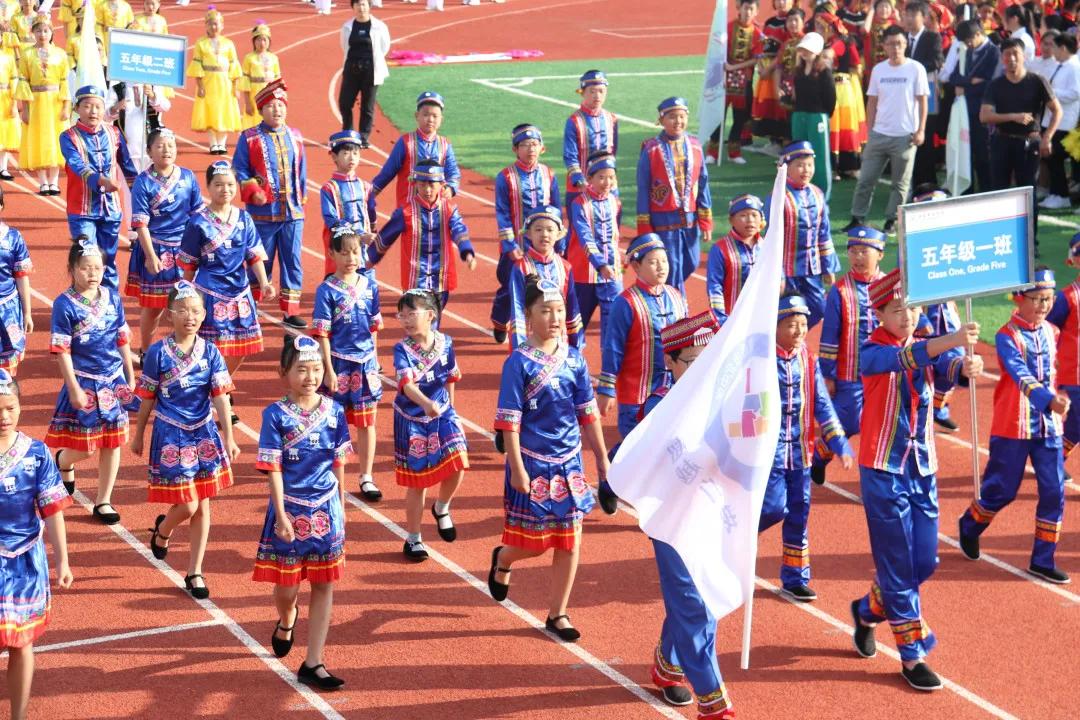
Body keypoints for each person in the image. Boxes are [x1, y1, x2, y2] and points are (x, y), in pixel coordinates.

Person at [850, 268, 983, 691]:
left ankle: (868, 610)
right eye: (896, 310)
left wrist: (967, 363)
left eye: (912, 308)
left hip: (922, 466)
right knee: (897, 564)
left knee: (923, 561)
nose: (906, 316)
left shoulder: (929, 345)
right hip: (882, 469)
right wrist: (952, 340)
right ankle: (912, 655)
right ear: (881, 314)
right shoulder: (871, 350)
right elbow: (909, 358)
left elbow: (948, 368)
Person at [489, 275, 609, 643]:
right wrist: (518, 469)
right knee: (535, 542)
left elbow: (588, 413)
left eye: (559, 310)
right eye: (546, 310)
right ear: (529, 315)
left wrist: (602, 461)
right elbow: (509, 422)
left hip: (569, 462)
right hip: (532, 460)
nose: (555, 317)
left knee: (570, 539)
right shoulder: (518, 363)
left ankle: (558, 613)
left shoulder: (575, 360)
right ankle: (504, 559)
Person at [635, 312, 732, 717]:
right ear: (671, 364)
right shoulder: (661, 407)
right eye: (692, 362)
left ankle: (668, 664)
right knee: (693, 605)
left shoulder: (721, 397)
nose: (701, 369)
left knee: (704, 598)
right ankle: (713, 701)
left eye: (707, 359)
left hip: (711, 514)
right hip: (672, 521)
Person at [959, 267, 1071, 585]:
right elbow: (1020, 374)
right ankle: (970, 524)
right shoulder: (1006, 336)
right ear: (1019, 299)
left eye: (1048, 299)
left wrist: (1061, 396)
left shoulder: (1053, 332)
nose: (1044, 305)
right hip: (1013, 425)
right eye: (1037, 299)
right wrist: (1050, 399)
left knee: (1054, 491)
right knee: (1002, 491)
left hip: (1049, 428)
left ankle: (1042, 560)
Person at [130, 281, 239, 601]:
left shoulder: (212, 352)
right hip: (171, 433)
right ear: (170, 314)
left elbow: (221, 399)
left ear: (204, 314)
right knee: (189, 503)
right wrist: (139, 433)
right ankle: (164, 529)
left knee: (203, 503)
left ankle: (195, 571)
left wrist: (228, 437)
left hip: (203, 432)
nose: (189, 317)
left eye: (195, 311)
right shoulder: (158, 353)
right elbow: (147, 396)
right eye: (182, 311)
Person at [254, 335, 351, 691]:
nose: (311, 377)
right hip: (291, 510)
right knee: (287, 586)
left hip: (326, 508)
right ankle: (286, 617)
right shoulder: (275, 415)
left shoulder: (334, 411)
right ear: (285, 372)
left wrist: (342, 503)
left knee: (325, 584)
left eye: (317, 369)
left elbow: (338, 461)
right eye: (302, 369)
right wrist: (280, 514)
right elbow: (273, 468)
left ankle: (314, 662)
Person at [762, 294, 853, 601]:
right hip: (767, 454)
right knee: (773, 508)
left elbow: (823, 406)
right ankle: (734, 543)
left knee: (799, 514)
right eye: (792, 325)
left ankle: (795, 577)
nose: (800, 331)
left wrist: (839, 443)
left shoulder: (808, 359)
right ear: (775, 327)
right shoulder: (760, 361)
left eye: (803, 324)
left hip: (800, 452)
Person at [46, 238, 138, 527]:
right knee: (86, 446)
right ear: (73, 269)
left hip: (113, 380)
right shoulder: (64, 304)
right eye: (86, 268)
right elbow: (61, 349)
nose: (93, 273)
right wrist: (72, 386)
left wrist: (130, 375)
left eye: (97, 268)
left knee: (112, 443)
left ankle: (104, 499)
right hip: (85, 381)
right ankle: (63, 460)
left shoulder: (112, 297)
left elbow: (122, 339)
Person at [0, 369, 73, 720]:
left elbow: (53, 510)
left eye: (10, 408)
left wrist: (63, 561)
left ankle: (19, 714)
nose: (4, 416)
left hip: (25, 561)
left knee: (22, 642)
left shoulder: (37, 454)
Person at [178, 161, 277, 401]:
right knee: (213, 347)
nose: (225, 190)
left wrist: (264, 283)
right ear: (209, 187)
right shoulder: (198, 222)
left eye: (231, 185)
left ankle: (221, 383)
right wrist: (185, 294)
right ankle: (214, 390)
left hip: (240, 292)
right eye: (219, 185)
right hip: (210, 292)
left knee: (241, 347)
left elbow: (253, 254)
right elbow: (189, 263)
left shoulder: (244, 218)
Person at [391, 289, 469, 560]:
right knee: (419, 481)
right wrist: (425, 403)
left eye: (412, 314)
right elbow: (406, 385)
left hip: (442, 412)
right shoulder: (401, 349)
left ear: (431, 315)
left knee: (458, 460)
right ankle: (413, 539)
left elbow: (450, 377)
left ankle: (442, 506)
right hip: (412, 419)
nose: (407, 320)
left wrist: (452, 410)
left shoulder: (446, 343)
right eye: (402, 315)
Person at [312, 225, 385, 504]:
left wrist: (375, 362)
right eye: (344, 253)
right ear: (332, 254)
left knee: (368, 422)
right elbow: (322, 334)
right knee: (334, 423)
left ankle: (366, 476)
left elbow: (374, 328)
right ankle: (331, 472)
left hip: (365, 364)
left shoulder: (370, 286)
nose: (351, 258)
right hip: (339, 363)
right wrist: (328, 370)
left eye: (355, 252)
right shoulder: (326, 290)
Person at [812, 225, 885, 484]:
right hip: (849, 376)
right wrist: (828, 376)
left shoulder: (890, 287)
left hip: (883, 376)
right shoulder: (840, 291)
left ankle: (876, 483)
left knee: (882, 430)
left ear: (880, 254)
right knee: (847, 425)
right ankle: (821, 455)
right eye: (853, 252)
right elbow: (830, 336)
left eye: (864, 251)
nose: (857, 257)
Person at [234, 78, 309, 329]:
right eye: (270, 106)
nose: (277, 110)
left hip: (292, 213)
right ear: (261, 110)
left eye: (280, 105)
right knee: (259, 262)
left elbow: (302, 173)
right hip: (262, 216)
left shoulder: (296, 137)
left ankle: (290, 311)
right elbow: (240, 170)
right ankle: (251, 307)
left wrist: (301, 199)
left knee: (292, 262)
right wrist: (253, 191)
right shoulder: (249, 138)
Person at [598, 234, 688, 438]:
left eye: (664, 261)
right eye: (653, 262)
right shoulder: (625, 302)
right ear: (637, 267)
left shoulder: (676, 296)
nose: (661, 267)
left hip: (673, 391)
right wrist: (607, 389)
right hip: (636, 396)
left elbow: (687, 339)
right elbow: (613, 347)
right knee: (634, 453)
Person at [125, 129, 204, 359]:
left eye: (170, 145)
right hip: (157, 247)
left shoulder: (188, 177)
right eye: (159, 146)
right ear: (149, 151)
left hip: (184, 250)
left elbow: (198, 216)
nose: (166, 150)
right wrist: (150, 256)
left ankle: (184, 349)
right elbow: (140, 223)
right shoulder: (143, 181)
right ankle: (146, 350)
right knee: (154, 307)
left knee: (187, 304)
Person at [845, 25, 929, 236]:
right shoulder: (878, 69)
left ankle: (892, 221)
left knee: (900, 184)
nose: (895, 48)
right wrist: (870, 130)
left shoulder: (916, 68)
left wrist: (921, 130)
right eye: (891, 43)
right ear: (884, 46)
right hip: (879, 135)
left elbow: (923, 102)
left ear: (906, 44)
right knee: (865, 180)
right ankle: (857, 217)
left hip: (905, 136)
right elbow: (872, 102)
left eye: (899, 43)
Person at [981, 38, 1061, 251]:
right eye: (1007, 55)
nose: (1012, 58)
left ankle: (1029, 243)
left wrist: (1048, 137)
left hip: (1029, 144)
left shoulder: (1037, 80)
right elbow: (984, 116)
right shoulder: (996, 84)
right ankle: (998, 239)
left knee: (1028, 193)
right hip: (1002, 141)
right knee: (998, 191)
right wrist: (1013, 117)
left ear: (1024, 56)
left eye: (1016, 53)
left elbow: (1057, 110)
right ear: (1002, 58)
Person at [61, 85, 139, 292]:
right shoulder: (68, 137)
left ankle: (110, 305)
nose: (93, 111)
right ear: (77, 108)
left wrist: (142, 191)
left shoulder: (113, 133)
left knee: (107, 260)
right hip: (82, 210)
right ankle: (82, 302)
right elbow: (77, 164)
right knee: (86, 259)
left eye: (97, 106)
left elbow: (128, 166)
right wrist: (101, 180)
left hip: (111, 210)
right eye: (87, 106)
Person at [370, 161, 476, 310]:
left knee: (433, 325)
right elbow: (386, 237)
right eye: (422, 184)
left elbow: (459, 230)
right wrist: (369, 259)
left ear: (441, 184)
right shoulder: (405, 212)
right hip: (415, 280)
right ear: (415, 184)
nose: (427, 190)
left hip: (440, 279)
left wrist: (467, 252)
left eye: (432, 185)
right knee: (419, 323)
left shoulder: (449, 210)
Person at [491, 124, 560, 344]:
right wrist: (510, 245)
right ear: (515, 149)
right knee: (508, 289)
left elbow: (557, 209)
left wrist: (560, 241)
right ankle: (500, 321)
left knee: (545, 291)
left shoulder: (549, 175)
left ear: (542, 147)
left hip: (545, 246)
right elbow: (501, 212)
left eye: (534, 144)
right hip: (517, 248)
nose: (530, 149)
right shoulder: (506, 177)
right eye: (524, 145)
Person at [636, 96, 712, 295]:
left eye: (681, 116)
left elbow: (703, 183)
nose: (678, 121)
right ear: (661, 120)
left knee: (692, 262)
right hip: (663, 220)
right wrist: (644, 225)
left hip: (689, 219)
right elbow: (643, 187)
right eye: (671, 117)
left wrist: (705, 220)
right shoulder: (651, 149)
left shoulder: (695, 145)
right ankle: (678, 309)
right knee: (672, 268)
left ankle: (665, 296)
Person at [765, 141, 838, 329]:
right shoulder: (778, 196)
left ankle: (791, 342)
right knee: (784, 313)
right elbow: (770, 239)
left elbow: (824, 232)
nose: (806, 170)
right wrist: (777, 273)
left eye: (809, 165)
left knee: (818, 307)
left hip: (811, 268)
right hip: (785, 269)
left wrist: (828, 266)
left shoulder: (818, 194)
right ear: (786, 168)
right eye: (799, 165)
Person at [566, 151, 621, 349]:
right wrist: (600, 263)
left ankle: (609, 374)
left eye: (611, 177)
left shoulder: (614, 201)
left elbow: (616, 232)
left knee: (613, 324)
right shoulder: (579, 204)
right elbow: (585, 237)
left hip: (612, 274)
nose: (607, 182)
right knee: (576, 323)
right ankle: (569, 363)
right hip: (585, 273)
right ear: (589, 178)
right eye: (601, 177)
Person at [507, 206, 583, 350]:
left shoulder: (565, 267)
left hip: (560, 343)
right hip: (532, 343)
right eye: (538, 230)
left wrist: (577, 345)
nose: (544, 234)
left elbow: (572, 308)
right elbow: (517, 310)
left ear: (559, 234)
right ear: (528, 234)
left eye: (550, 230)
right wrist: (520, 347)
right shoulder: (521, 268)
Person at [371, 91, 461, 209]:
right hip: (408, 209)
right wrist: (369, 196)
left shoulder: (445, 145)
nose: (430, 119)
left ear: (441, 119)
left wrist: (451, 187)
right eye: (425, 115)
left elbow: (453, 172)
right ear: (416, 116)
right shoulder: (406, 142)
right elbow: (387, 173)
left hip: (436, 211)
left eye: (435, 116)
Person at [16, 16, 69, 196]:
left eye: (46, 30)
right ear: (33, 32)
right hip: (36, 101)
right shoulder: (27, 54)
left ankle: (53, 181)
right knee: (38, 139)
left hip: (55, 101)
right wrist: (25, 108)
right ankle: (42, 182)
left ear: (52, 32)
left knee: (55, 139)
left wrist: (66, 106)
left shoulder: (60, 54)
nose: (42, 34)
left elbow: (64, 82)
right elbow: (24, 82)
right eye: (38, 30)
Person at [949, 19, 1002, 193]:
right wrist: (970, 81)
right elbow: (953, 78)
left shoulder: (995, 53)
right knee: (966, 154)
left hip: (984, 110)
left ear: (979, 34)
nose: (967, 44)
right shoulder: (967, 51)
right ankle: (968, 191)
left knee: (983, 156)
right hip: (965, 111)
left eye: (969, 40)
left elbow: (991, 84)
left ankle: (988, 191)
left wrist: (965, 85)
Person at [319, 130, 377, 277]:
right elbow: (331, 220)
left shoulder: (365, 187)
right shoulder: (329, 188)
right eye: (345, 153)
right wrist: (359, 236)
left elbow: (371, 215)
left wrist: (372, 236)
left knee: (367, 288)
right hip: (343, 250)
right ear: (334, 156)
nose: (352, 158)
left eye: (356, 153)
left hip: (364, 252)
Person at [187, 7, 242, 155]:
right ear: (206, 25)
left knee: (224, 111)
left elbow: (234, 65)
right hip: (208, 81)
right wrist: (200, 85)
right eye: (210, 23)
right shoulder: (201, 43)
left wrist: (235, 86)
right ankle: (213, 144)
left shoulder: (229, 44)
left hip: (225, 82)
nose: (214, 27)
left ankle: (222, 144)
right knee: (210, 111)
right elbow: (197, 65)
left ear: (222, 25)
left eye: (217, 23)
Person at [717, 0, 764, 165]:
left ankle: (734, 151)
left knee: (740, 118)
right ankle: (712, 151)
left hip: (744, 81)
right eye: (746, 8)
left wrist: (734, 66)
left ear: (757, 11)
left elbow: (755, 60)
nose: (748, 12)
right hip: (724, 80)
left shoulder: (758, 34)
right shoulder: (728, 28)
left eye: (751, 9)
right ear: (739, 8)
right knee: (719, 115)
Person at [338, 0, 391, 147]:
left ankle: (363, 136)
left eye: (364, 4)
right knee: (344, 103)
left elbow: (384, 47)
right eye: (357, 4)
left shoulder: (380, 27)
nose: (361, 8)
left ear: (369, 6)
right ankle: (347, 131)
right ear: (353, 7)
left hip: (371, 70)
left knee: (367, 105)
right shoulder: (347, 27)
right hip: (351, 69)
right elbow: (344, 46)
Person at [789, 32, 835, 197]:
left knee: (819, 156)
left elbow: (830, 98)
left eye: (807, 49)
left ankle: (823, 193)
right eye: (802, 49)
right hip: (799, 115)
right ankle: (800, 188)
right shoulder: (799, 70)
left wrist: (823, 115)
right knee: (798, 153)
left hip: (817, 116)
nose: (804, 52)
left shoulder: (824, 71)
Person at [562, 70, 618, 206]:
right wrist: (579, 179)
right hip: (581, 184)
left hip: (608, 184)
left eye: (601, 91)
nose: (597, 96)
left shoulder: (612, 119)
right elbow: (570, 155)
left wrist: (610, 179)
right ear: (582, 92)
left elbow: (613, 151)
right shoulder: (574, 120)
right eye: (592, 91)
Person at [706, 193, 762, 326]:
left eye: (754, 215)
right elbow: (714, 285)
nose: (750, 220)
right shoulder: (720, 249)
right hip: (731, 317)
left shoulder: (766, 247)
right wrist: (720, 317)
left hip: (760, 316)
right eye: (743, 215)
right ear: (731, 220)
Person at [905, 2, 945, 188]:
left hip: (925, 90)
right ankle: (909, 178)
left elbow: (936, 61)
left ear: (924, 17)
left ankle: (927, 181)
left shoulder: (932, 37)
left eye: (914, 15)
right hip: (904, 94)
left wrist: (911, 69)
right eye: (908, 15)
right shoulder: (901, 38)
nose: (910, 19)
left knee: (926, 135)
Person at [1039, 31, 1080, 211]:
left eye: (1054, 47)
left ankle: (1061, 194)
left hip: (1065, 121)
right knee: (1051, 158)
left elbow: (1076, 93)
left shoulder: (1074, 67)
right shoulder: (1062, 65)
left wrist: (1053, 95)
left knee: (1055, 157)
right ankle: (1056, 193)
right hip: (1052, 120)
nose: (1052, 51)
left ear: (1062, 48)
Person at [0, 188, 32, 376]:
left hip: (8, 309)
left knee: (8, 368)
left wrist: (27, 313)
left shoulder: (13, 237)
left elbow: (22, 277)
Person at [239, 22, 280, 130]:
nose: (261, 43)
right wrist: (247, 103)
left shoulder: (274, 58)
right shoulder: (249, 58)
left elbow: (278, 80)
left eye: (264, 40)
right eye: (258, 40)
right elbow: (245, 82)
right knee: (254, 120)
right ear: (254, 42)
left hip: (269, 95)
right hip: (255, 94)